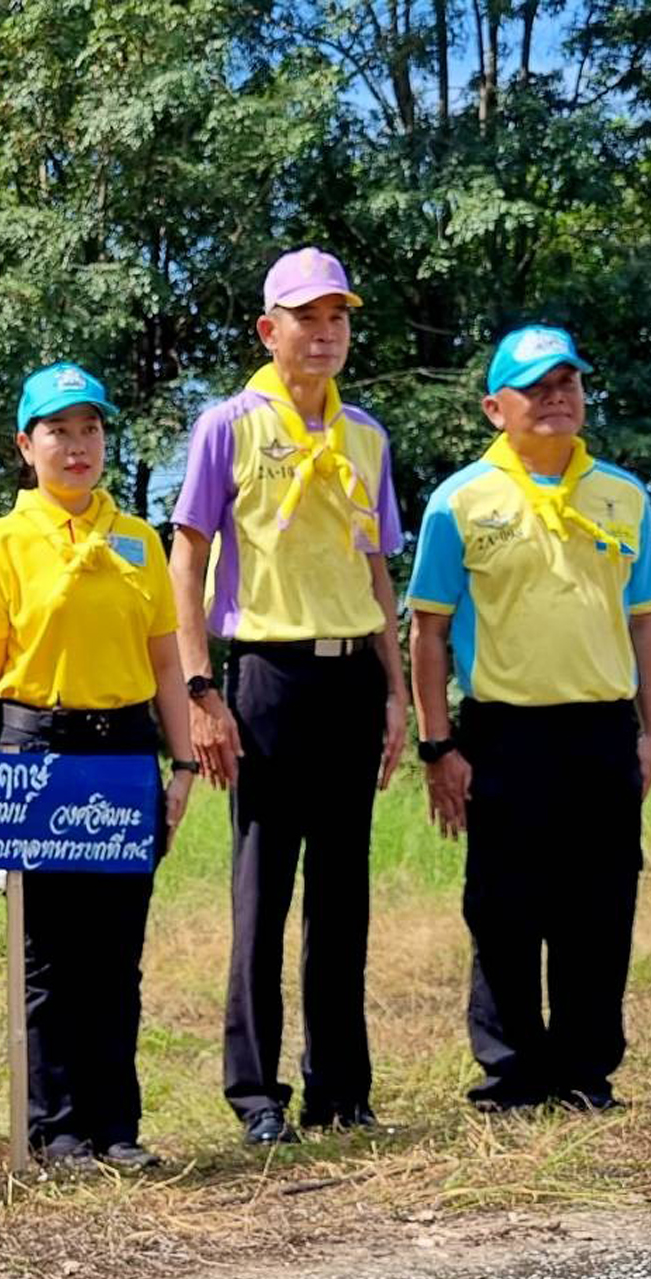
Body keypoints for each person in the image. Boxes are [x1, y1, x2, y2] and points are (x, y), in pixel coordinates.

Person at [167, 247, 407, 1145]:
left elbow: (377, 566)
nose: (326, 332)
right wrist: (199, 689)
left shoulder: (368, 438)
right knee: (263, 893)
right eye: (307, 318)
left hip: (351, 675)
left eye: (338, 316)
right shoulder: (229, 425)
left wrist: (394, 689)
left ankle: (340, 1089)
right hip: (266, 674)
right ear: (270, 330)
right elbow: (187, 554)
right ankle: (255, 1092)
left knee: (343, 894)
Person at [407, 325, 651, 1114]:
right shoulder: (459, 502)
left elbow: (646, 622)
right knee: (505, 905)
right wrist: (436, 744)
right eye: (536, 385)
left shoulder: (625, 495)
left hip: (600, 729)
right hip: (503, 731)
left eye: (569, 383)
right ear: (496, 407)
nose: (557, 396)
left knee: (601, 903)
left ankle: (587, 1071)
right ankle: (513, 1074)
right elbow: (425, 630)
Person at [0, 364, 198, 1172]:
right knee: (50, 954)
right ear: (27, 446)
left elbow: (166, 664)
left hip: (126, 752)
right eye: (58, 430)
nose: (77, 445)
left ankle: (115, 1125)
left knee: (115, 952)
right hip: (38, 752)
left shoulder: (139, 538)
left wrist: (185, 763)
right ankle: (54, 1129)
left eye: (90, 429)